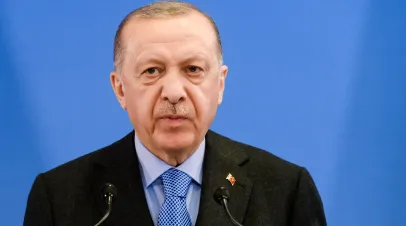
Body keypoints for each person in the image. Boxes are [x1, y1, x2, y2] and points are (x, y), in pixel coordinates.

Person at [24, 1, 327, 226]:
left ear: (219, 85)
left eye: (192, 69)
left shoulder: (286, 189)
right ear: (120, 90)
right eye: (152, 70)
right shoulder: (58, 197)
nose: (173, 91)